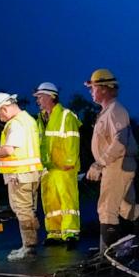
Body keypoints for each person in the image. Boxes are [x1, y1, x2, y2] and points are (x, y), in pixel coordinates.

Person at [84, 68, 139, 250]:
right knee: (125, 207)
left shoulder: (116, 110)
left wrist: (100, 163)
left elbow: (120, 142)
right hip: (117, 165)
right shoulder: (108, 112)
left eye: (93, 88)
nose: (91, 92)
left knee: (107, 209)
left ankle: (108, 256)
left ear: (104, 88)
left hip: (117, 164)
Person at [0, 93, 43, 261]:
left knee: (22, 211)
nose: (0, 118)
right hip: (29, 173)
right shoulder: (28, 120)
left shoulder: (15, 123)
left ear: (5, 108)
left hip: (19, 175)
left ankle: (29, 248)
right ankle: (30, 244)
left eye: (0, 114)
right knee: (28, 210)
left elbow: (9, 150)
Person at [33, 82, 82, 247]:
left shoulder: (66, 115)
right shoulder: (40, 119)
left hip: (64, 167)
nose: (37, 100)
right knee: (50, 201)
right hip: (48, 168)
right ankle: (54, 233)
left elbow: (72, 138)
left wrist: (69, 162)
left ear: (51, 96)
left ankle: (71, 233)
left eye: (40, 97)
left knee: (67, 200)